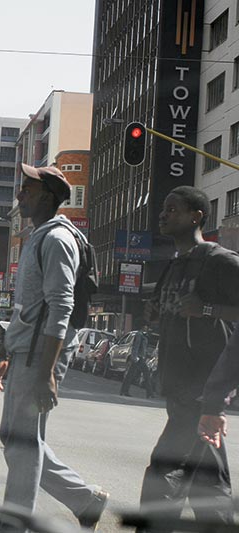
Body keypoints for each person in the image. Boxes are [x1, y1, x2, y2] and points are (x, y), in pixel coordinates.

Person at [0, 164, 108, 533]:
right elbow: (29, 309)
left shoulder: (57, 240)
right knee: (16, 436)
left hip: (42, 355)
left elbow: (61, 307)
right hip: (28, 351)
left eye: (28, 188)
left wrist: (44, 373)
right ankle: (83, 499)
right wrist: (7, 351)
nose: (20, 194)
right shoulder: (39, 236)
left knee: (23, 440)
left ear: (49, 196)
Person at [139, 185, 239, 531]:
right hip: (178, 385)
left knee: (163, 472)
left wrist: (207, 308)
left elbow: (214, 312)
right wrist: (156, 313)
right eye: (164, 209)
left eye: (172, 209)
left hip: (201, 389)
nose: (164, 215)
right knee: (208, 482)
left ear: (196, 216)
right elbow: (177, 315)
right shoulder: (175, 265)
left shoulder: (219, 261)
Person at [120, 324, 152, 398]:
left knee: (132, 375)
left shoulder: (143, 335)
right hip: (138, 358)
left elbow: (143, 348)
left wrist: (147, 355)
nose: (147, 328)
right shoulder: (139, 335)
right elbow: (136, 346)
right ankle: (149, 393)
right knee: (144, 374)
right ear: (143, 327)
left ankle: (124, 391)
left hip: (140, 358)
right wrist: (135, 357)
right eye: (146, 326)